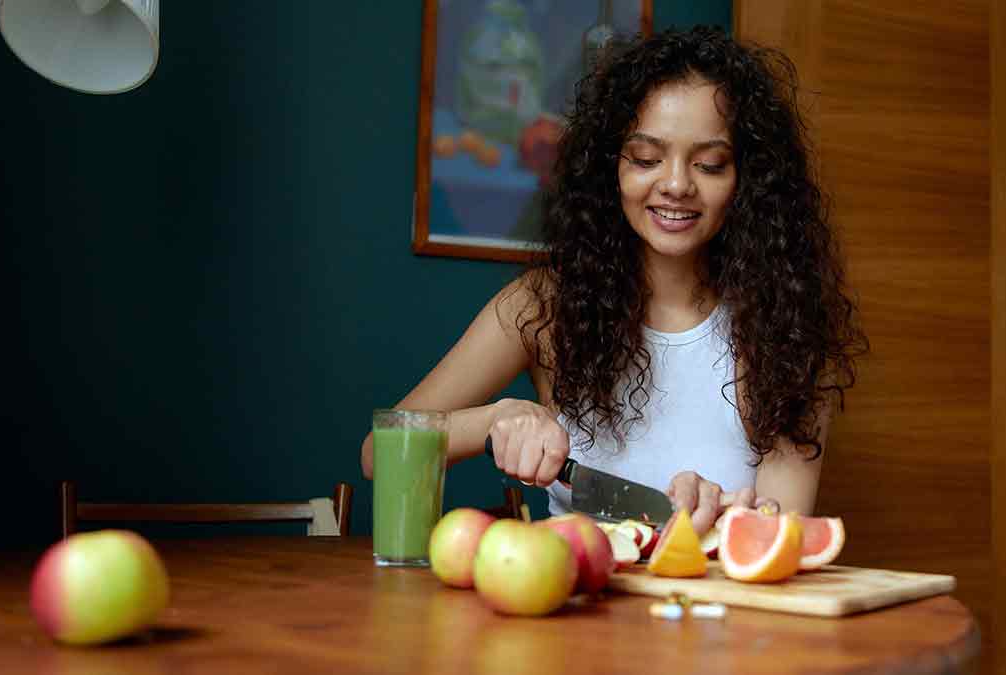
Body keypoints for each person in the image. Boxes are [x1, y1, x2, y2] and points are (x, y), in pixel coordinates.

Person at [361, 25, 866, 535]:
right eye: (646, 159)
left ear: (748, 181)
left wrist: (726, 523)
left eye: (710, 165)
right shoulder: (541, 306)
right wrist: (493, 422)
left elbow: (779, 536)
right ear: (610, 168)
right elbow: (377, 456)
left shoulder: (786, 329)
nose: (674, 185)